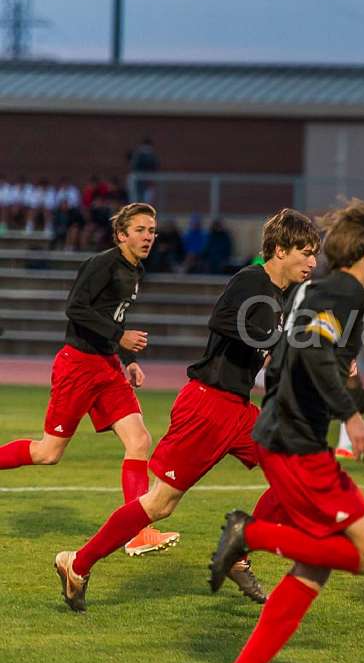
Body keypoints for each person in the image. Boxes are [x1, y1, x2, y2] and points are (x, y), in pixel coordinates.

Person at [53, 210, 321, 613]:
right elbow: (224, 323)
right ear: (280, 250)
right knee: (160, 504)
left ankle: (239, 549)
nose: (313, 262)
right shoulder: (252, 281)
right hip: (207, 407)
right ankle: (78, 561)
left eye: (315, 254)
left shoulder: (281, 295)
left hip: (236, 409)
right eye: (306, 252)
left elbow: (266, 349)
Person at [206, 200, 364, 663]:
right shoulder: (347, 294)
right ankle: (252, 535)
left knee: (312, 569)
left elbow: (310, 366)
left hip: (282, 434)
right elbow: (313, 358)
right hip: (297, 446)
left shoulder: (318, 290)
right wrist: (353, 417)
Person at [0, 204, 178, 555]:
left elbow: (113, 317)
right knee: (47, 453)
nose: (148, 236)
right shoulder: (102, 264)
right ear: (122, 234)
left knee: (140, 440)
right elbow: (76, 308)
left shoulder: (135, 270)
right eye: (141, 230)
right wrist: (121, 337)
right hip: (78, 365)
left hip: (107, 366)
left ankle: (139, 532)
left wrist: (127, 359)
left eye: (152, 230)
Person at [129, 137, 159, 203]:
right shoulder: (139, 155)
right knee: (139, 196)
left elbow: (155, 166)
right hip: (139, 179)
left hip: (148, 180)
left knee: (147, 197)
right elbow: (134, 166)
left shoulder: (152, 155)